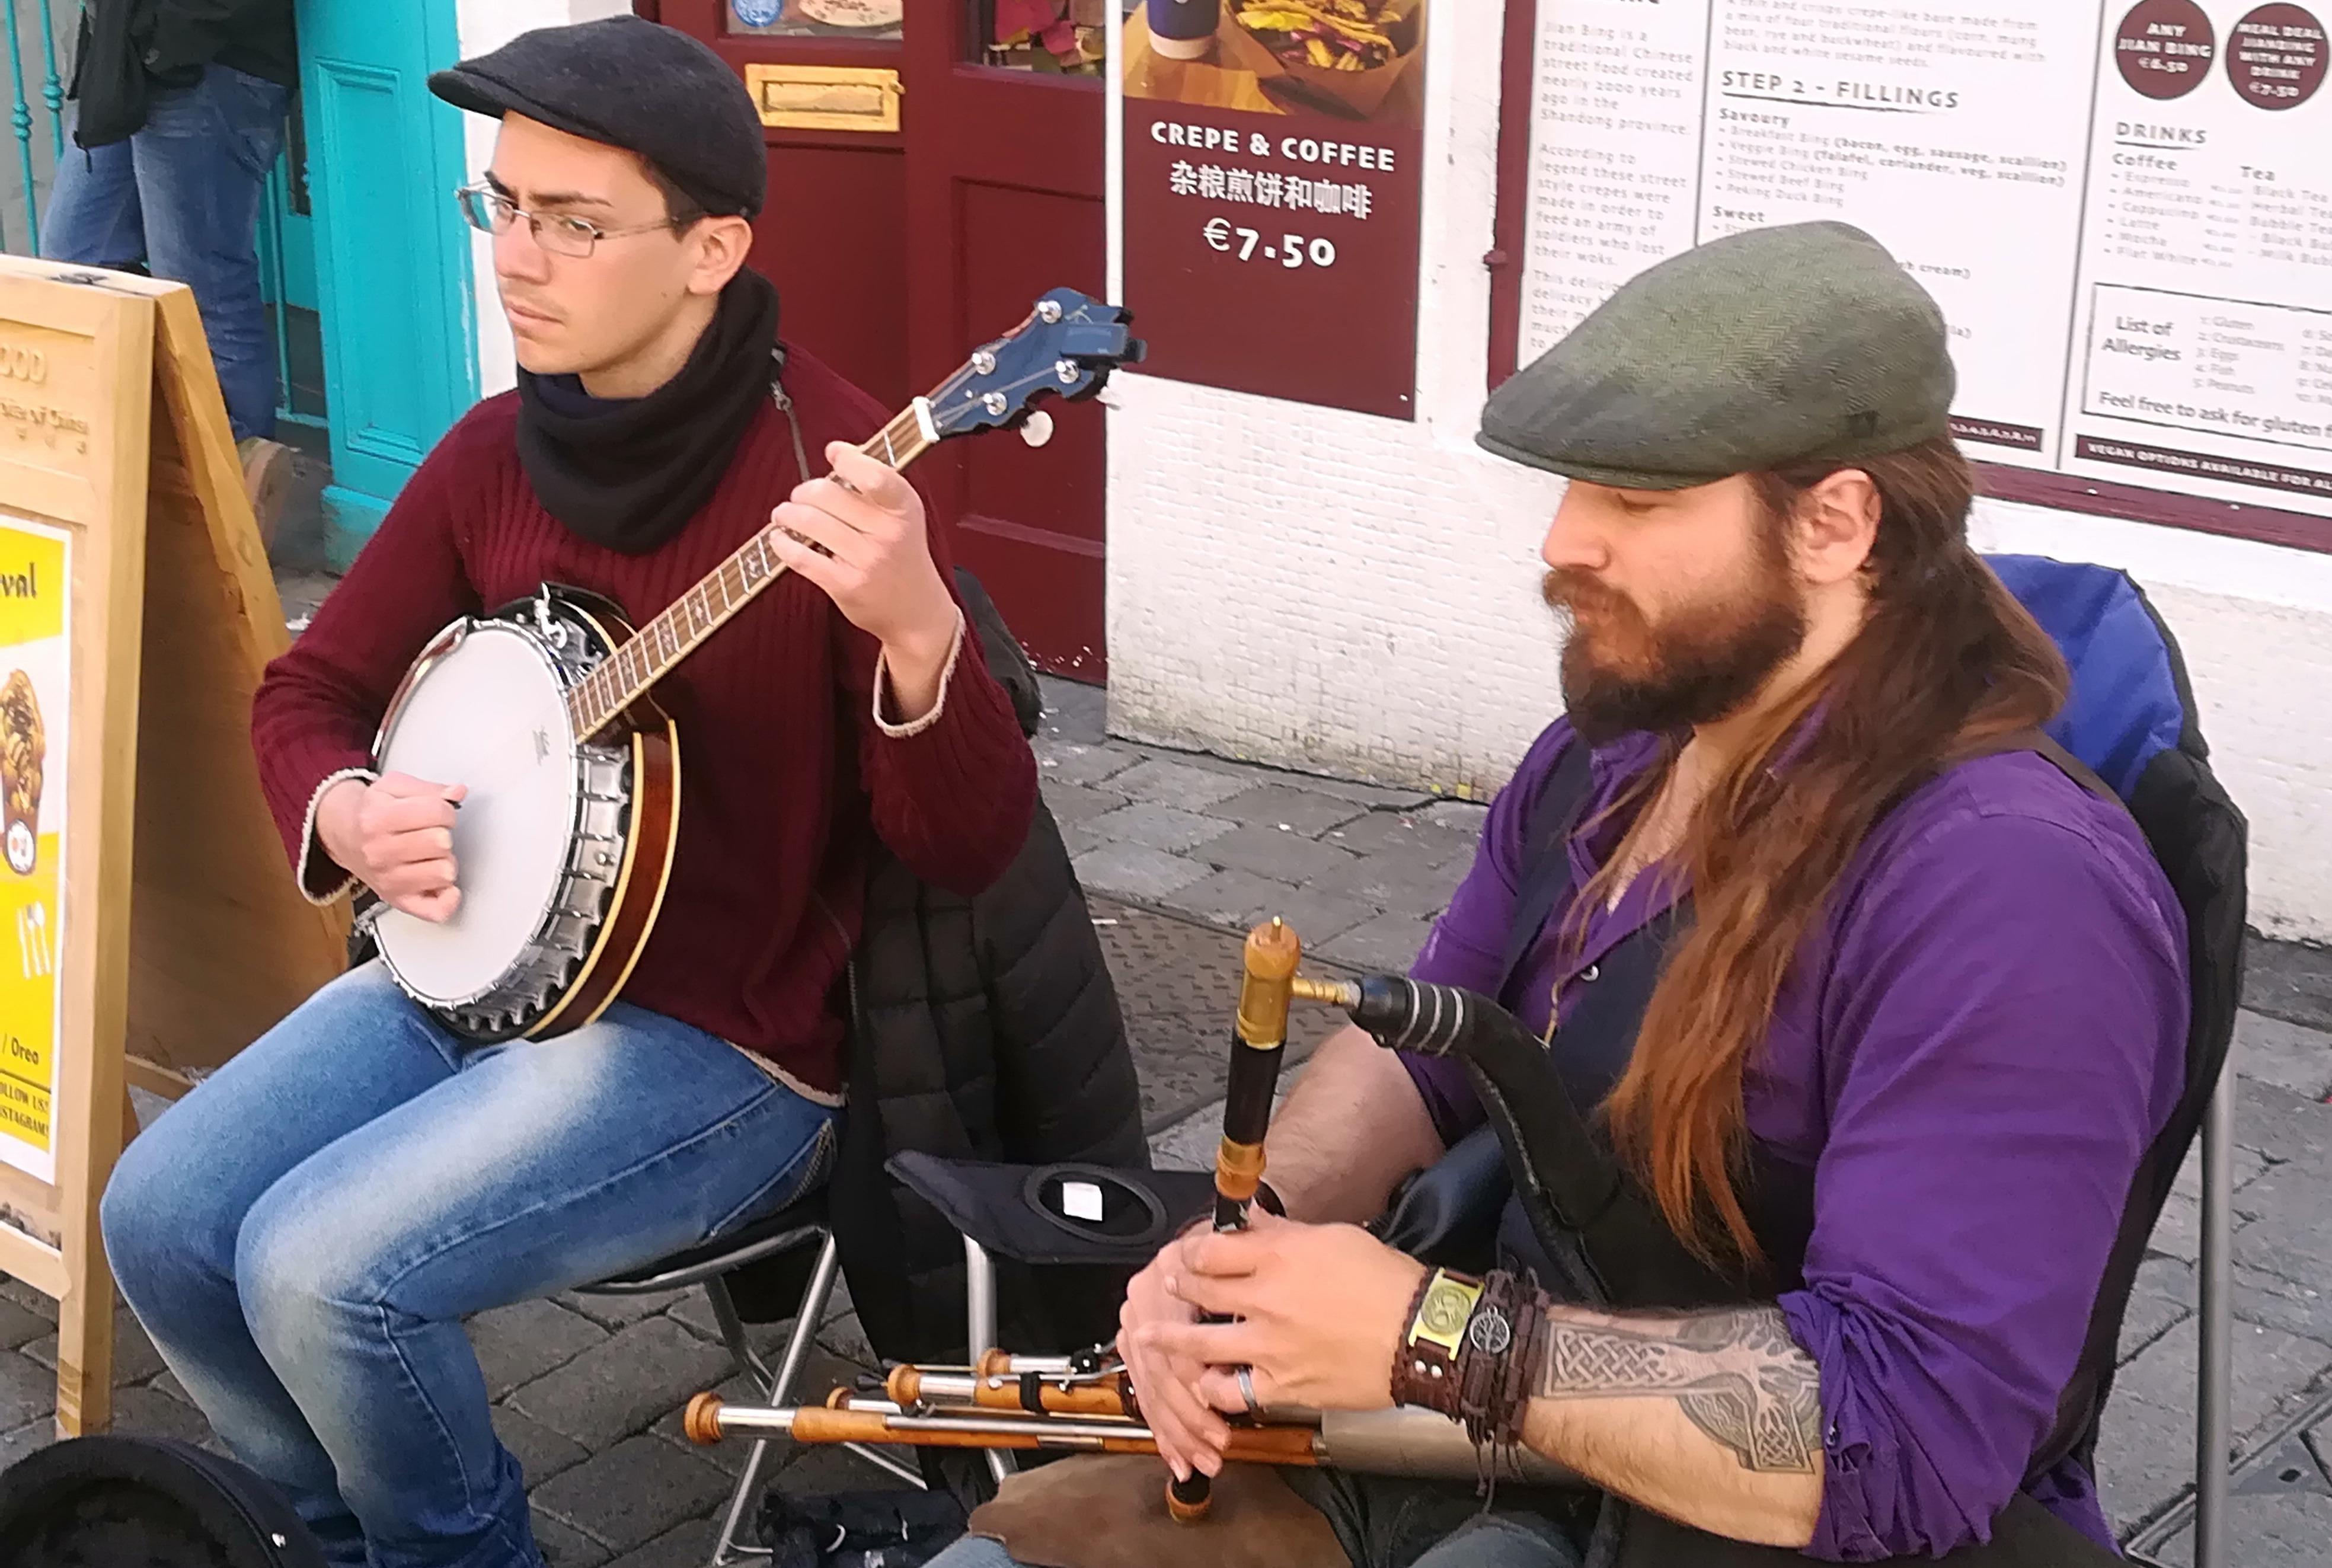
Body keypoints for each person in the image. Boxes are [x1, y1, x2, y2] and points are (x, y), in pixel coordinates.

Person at [929, 222, 2188, 1568]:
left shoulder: (2005, 885)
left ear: (1833, 522)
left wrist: (1430, 1331)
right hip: (1440, 1427)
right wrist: (1249, 1243)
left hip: (1732, 1520)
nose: (1562, 541)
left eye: (1637, 504)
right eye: (1578, 485)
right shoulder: (1611, 751)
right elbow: (1427, 1049)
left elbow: (1902, 1440)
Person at [98, 18, 1039, 1568]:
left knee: (320, 1266)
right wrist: (341, 806)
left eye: (574, 223)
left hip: (718, 1042)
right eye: (504, 208)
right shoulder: (493, 454)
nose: (517, 259)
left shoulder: (840, 484)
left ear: (710, 249)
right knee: (164, 1213)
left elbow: (968, 840)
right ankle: (325, 1530)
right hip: (476, 967)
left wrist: (921, 632)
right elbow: (306, 691)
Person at [44, 0, 301, 533]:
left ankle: (232, 516)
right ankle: (161, 468)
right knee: (77, 261)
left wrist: (176, 33)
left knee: (204, 288)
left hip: (206, 62)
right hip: (132, 55)